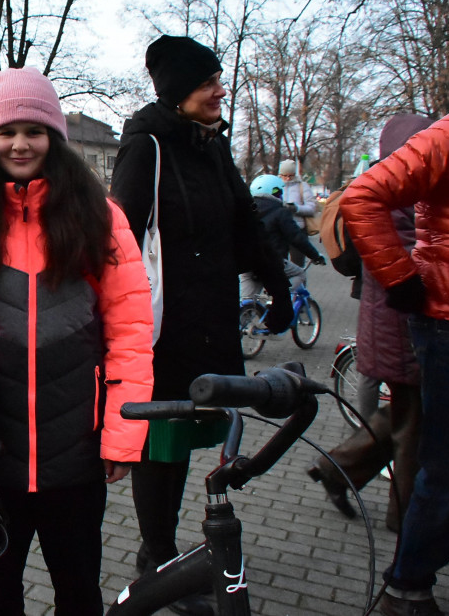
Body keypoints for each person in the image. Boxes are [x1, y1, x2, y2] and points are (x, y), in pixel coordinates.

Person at [0, 67, 154, 616]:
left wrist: (124, 435)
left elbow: (131, 332)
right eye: (7, 131)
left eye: (34, 130)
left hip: (75, 451)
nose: (20, 143)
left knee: (78, 590)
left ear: (55, 137)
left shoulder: (101, 218)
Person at [110, 36, 292, 616]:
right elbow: (118, 239)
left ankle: (163, 555)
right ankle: (155, 561)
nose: (221, 89)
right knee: (161, 438)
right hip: (162, 324)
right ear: (179, 89)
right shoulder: (148, 145)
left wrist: (277, 282)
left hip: (208, 321)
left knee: (186, 435)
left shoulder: (211, 145)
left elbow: (243, 221)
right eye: (209, 80)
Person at [342, 113, 449, 616]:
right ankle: (407, 582)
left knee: (409, 428)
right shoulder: (441, 141)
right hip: (429, 323)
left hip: (396, 323)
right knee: (424, 444)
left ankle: (339, 469)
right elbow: (361, 201)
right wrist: (403, 281)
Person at [307, 114, 431, 534]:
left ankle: (335, 467)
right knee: (415, 431)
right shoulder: (401, 194)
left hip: (396, 321)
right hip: (407, 324)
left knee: (405, 414)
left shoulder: (396, 187)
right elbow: (418, 253)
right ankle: (409, 530)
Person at [239, 174, 326, 299]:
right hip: (272, 261)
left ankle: (245, 314)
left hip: (246, 262)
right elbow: (296, 238)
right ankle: (278, 296)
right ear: (275, 193)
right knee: (300, 274)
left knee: (247, 302)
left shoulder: (245, 210)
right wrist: (315, 256)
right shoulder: (281, 212)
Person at [278, 158, 317, 266]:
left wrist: (296, 208)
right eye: (284, 175)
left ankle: (300, 283)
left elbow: (312, 207)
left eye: (290, 175)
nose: (287, 178)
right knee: (280, 265)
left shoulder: (302, 186)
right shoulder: (275, 185)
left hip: (298, 230)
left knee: (298, 266)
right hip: (279, 230)